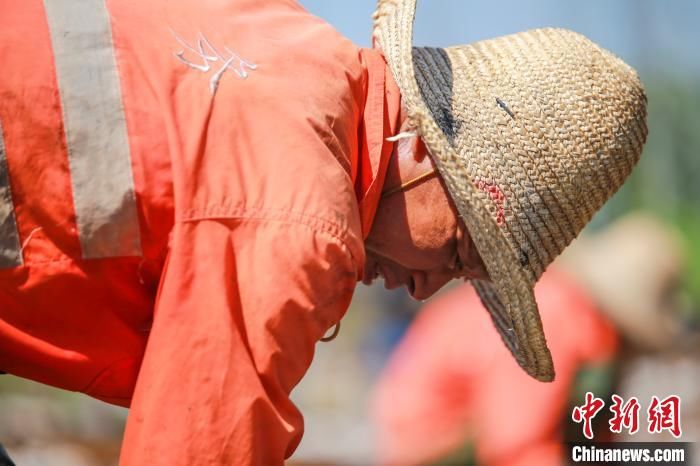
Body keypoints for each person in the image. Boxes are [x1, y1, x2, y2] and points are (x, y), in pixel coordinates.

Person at [0, 0, 646, 464]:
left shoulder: (280, 31)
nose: (425, 292)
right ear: (425, 152)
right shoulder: (302, 219)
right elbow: (202, 446)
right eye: (456, 252)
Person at [371, 214, 685, 466]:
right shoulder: (552, 318)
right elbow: (517, 447)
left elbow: (591, 438)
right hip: (434, 447)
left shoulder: (581, 322)